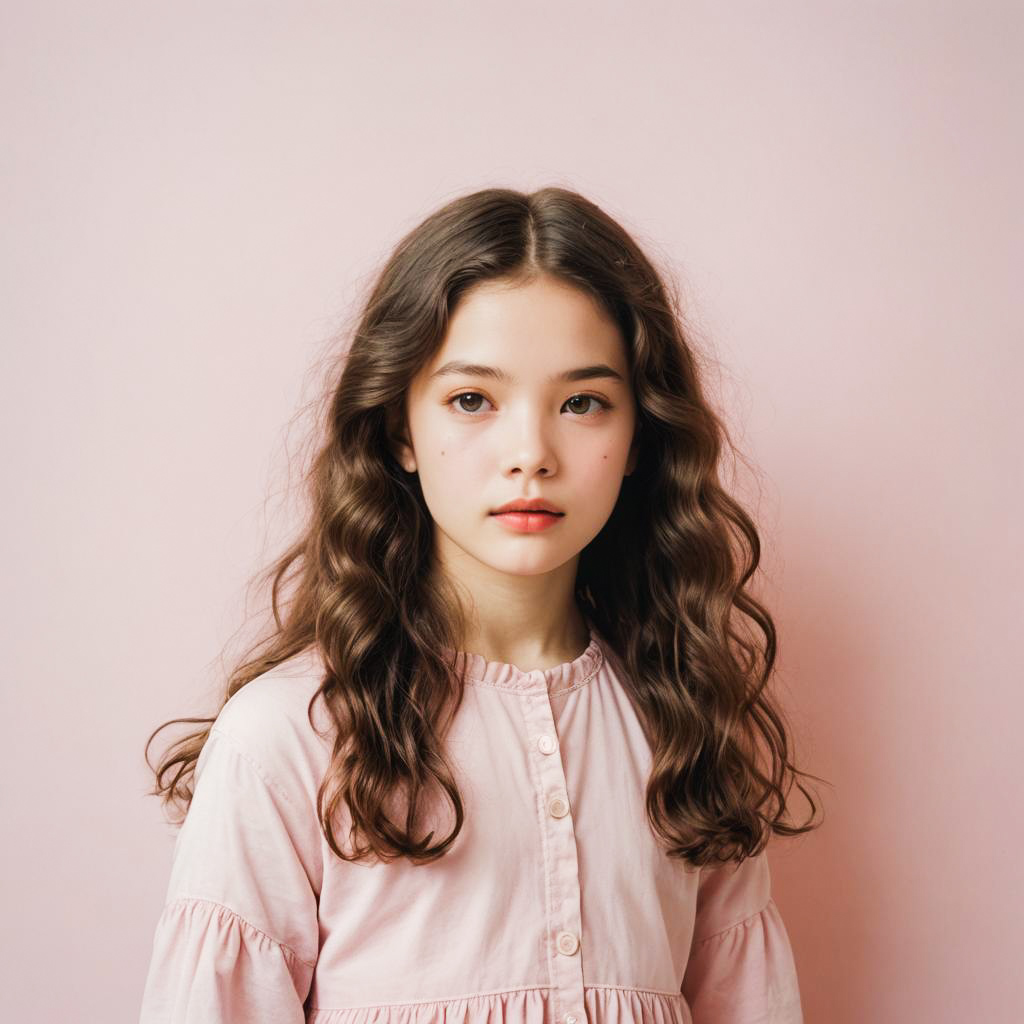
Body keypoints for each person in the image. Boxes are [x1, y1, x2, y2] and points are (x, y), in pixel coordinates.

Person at [139, 186, 822, 1023]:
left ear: (639, 433)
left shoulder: (685, 724)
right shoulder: (288, 736)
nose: (530, 453)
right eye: (472, 400)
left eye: (582, 402)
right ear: (400, 430)